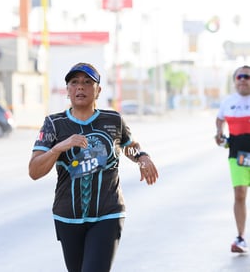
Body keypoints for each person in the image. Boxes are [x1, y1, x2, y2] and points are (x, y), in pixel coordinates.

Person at [28, 62, 159, 272]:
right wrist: (58, 148)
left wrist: (142, 157)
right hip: (67, 216)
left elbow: (129, 147)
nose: (81, 87)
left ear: (98, 90)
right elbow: (34, 171)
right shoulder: (54, 124)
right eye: (74, 82)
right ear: (68, 90)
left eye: (88, 82)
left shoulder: (113, 120)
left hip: (107, 213)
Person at [215, 65, 250, 253]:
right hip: (238, 155)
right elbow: (220, 119)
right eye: (240, 76)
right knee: (240, 195)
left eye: (247, 76)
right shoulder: (228, 102)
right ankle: (241, 237)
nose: (243, 79)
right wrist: (219, 133)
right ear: (235, 80)